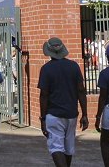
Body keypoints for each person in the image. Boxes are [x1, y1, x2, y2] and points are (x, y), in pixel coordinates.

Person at [38, 37, 88, 167]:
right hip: (71, 114)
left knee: (56, 148)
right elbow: (81, 91)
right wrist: (85, 114)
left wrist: (43, 118)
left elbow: (44, 95)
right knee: (68, 148)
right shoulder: (74, 66)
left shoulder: (46, 69)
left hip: (54, 114)